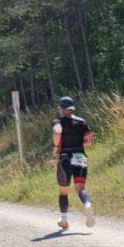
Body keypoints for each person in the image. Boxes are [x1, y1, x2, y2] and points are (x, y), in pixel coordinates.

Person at [52, 96, 95, 230]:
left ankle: (64, 220)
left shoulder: (58, 121)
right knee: (80, 189)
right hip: (80, 157)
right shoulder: (82, 121)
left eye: (60, 108)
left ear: (63, 109)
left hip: (65, 157)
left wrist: (55, 146)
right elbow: (89, 141)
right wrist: (78, 143)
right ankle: (87, 204)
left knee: (63, 191)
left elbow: (57, 130)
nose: (59, 110)